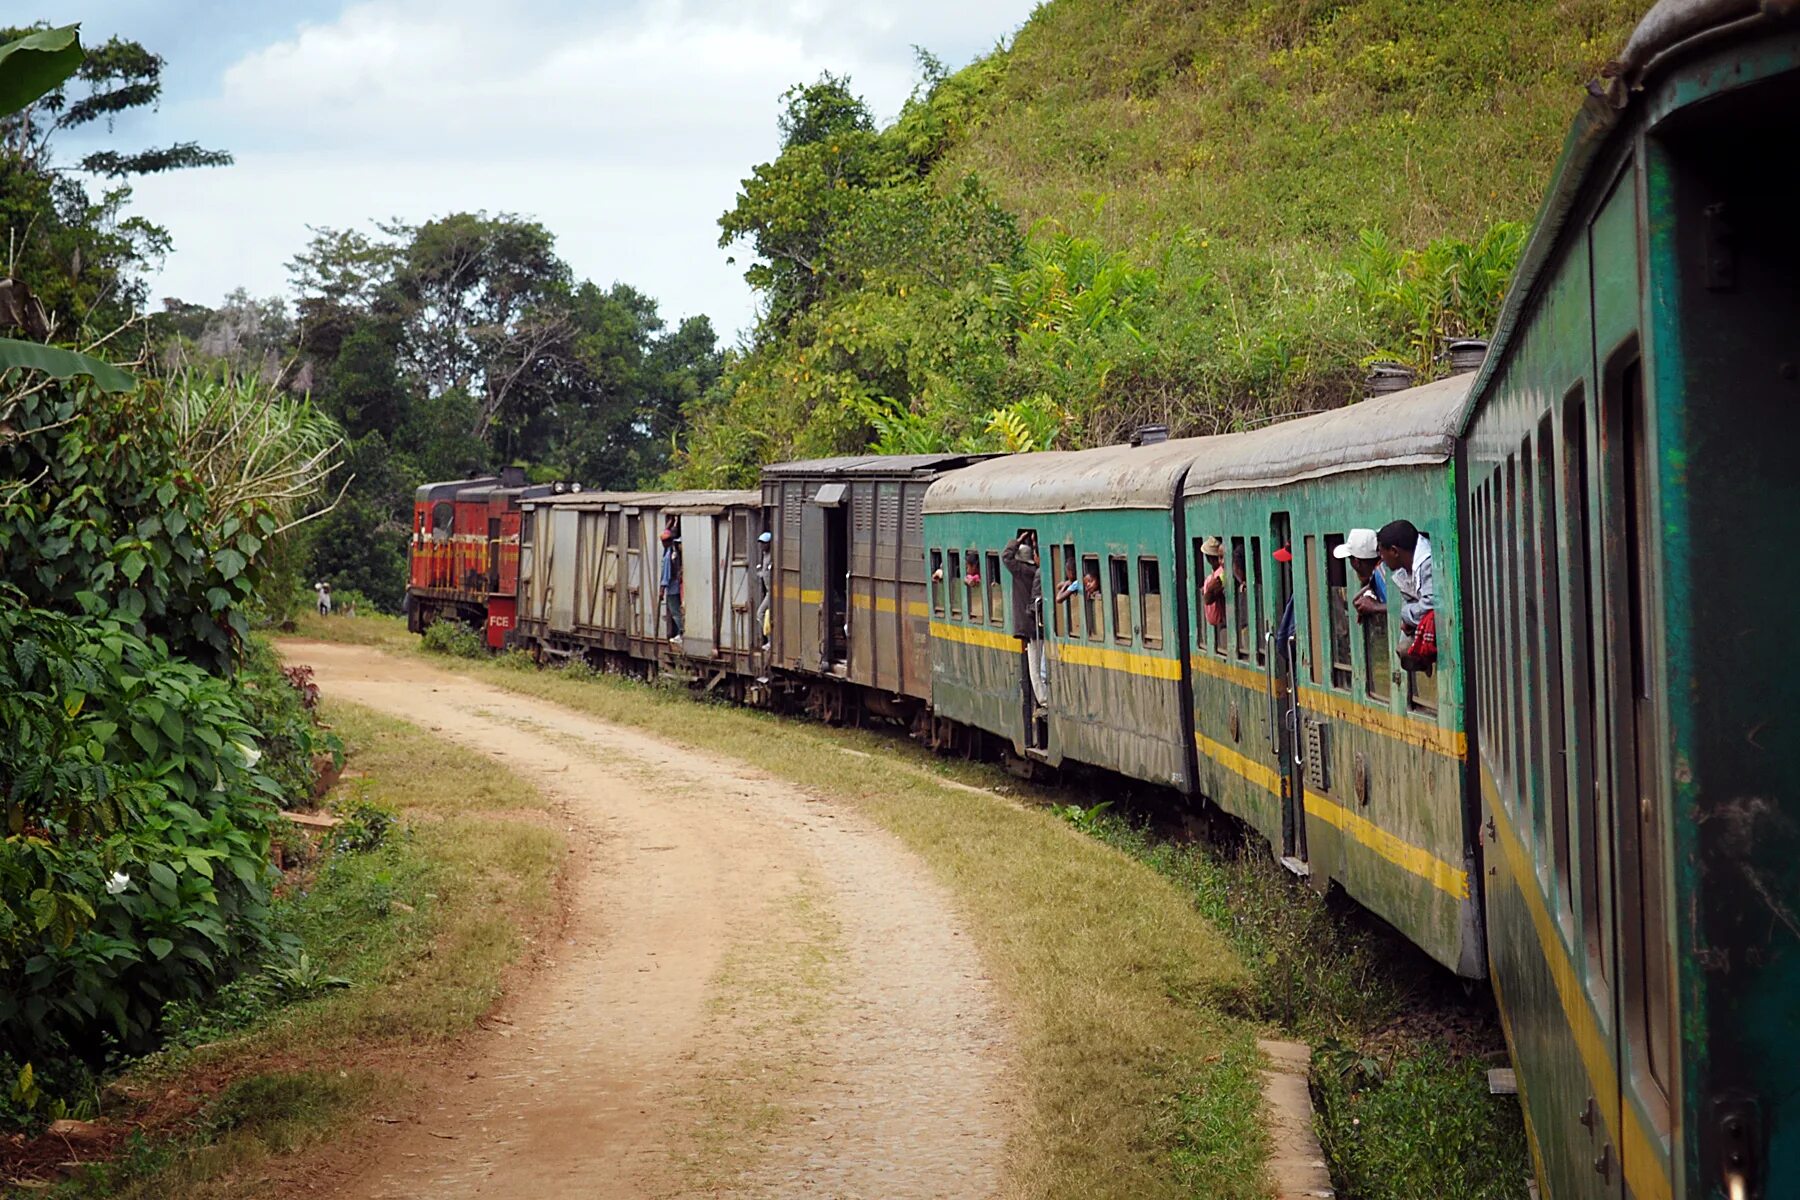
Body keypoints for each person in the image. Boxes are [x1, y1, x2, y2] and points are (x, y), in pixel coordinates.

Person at [1001, 530, 1048, 711]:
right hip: (1036, 624)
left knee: (1034, 669)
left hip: (1030, 626)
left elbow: (1006, 556)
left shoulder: (1020, 571)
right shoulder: (1035, 571)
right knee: (1039, 665)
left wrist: (1017, 540)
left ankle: (1043, 700)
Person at [1375, 520, 1433, 634]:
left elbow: (1429, 607)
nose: (1382, 558)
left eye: (1383, 553)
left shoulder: (1427, 565)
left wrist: (1405, 613)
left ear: (1394, 551)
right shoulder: (1404, 572)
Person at [1334, 528, 1387, 622]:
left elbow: (1403, 607)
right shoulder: (1376, 574)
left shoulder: (1382, 573)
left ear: (1356, 562)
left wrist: (1376, 607)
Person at [660, 525, 683, 642]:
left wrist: (661, 590)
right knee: (677, 610)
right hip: (676, 586)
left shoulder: (669, 555)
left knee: (675, 611)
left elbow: (666, 574)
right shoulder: (672, 551)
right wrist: (673, 522)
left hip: (672, 588)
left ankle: (681, 632)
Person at [1199, 536, 1226, 629]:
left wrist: (1209, 590)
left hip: (1223, 624)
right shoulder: (1215, 574)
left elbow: (1208, 599)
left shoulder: (1220, 574)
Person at [753, 529, 773, 647]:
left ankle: (771, 641)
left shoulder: (771, 555)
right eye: (760, 542)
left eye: (763, 543)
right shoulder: (765, 555)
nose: (761, 545)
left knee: (760, 613)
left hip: (772, 592)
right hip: (768, 591)